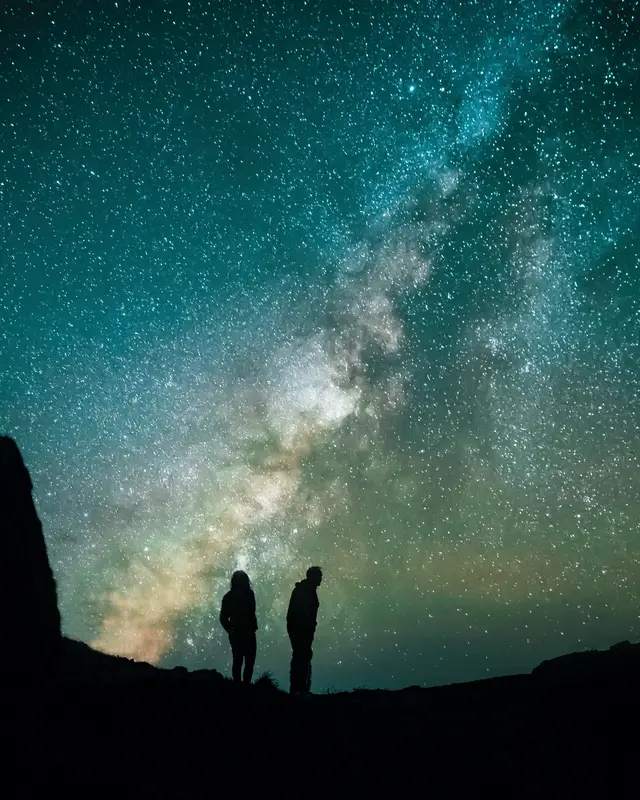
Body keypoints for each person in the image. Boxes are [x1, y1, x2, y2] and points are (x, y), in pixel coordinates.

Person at [286, 566, 322, 694]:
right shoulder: (304, 591)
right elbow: (300, 613)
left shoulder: (306, 590)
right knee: (301, 657)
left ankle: (300, 688)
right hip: (301, 629)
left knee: (302, 656)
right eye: (319, 576)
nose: (321, 579)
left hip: (302, 629)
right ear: (312, 577)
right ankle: (299, 689)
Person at [219, 570, 257, 684]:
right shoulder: (247, 594)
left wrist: (229, 629)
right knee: (242, 660)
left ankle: (241, 685)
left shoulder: (231, 596)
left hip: (245, 632)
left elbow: (223, 618)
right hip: (241, 632)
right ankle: (241, 685)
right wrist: (230, 630)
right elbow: (223, 617)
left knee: (243, 660)